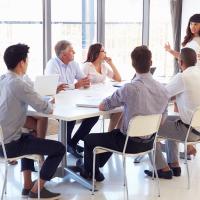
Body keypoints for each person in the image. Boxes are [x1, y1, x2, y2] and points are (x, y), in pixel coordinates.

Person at [78, 45, 169, 182]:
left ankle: (89, 172)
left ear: (133, 64)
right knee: (113, 134)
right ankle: (94, 168)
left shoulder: (129, 88)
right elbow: (162, 119)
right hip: (150, 143)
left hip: (128, 143)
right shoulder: (164, 90)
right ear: (151, 63)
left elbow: (103, 106)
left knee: (90, 139)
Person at [0, 43, 66, 199]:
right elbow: (47, 109)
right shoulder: (19, 84)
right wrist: (50, 101)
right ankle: (37, 190)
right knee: (59, 149)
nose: (27, 63)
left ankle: (27, 185)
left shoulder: (3, 79)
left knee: (30, 135)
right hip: (10, 146)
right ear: (22, 62)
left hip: (2, 142)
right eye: (27, 60)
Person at [144, 48, 200, 179]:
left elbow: (161, 96)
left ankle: (162, 168)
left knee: (148, 128)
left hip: (189, 131)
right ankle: (174, 164)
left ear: (180, 62)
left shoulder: (182, 77)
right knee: (169, 120)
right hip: (197, 128)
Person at [45, 40, 99, 158]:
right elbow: (57, 87)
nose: (74, 52)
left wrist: (86, 81)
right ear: (63, 55)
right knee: (70, 119)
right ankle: (67, 145)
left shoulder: (73, 64)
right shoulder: (52, 65)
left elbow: (82, 78)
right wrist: (75, 85)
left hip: (72, 100)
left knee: (94, 115)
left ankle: (72, 143)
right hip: (57, 102)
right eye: (71, 51)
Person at [164, 13, 200, 156]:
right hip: (194, 75)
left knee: (156, 123)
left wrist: (170, 51)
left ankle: (163, 164)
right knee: (184, 107)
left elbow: (163, 95)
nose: (193, 26)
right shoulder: (192, 41)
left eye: (196, 24)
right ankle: (178, 157)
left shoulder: (195, 42)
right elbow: (184, 56)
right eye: (191, 24)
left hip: (190, 75)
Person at [83, 43, 122, 131]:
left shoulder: (104, 66)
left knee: (120, 109)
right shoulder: (87, 66)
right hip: (89, 98)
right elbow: (81, 84)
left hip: (101, 96)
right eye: (103, 51)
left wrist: (111, 63)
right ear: (96, 53)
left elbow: (118, 79)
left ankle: (110, 132)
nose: (105, 53)